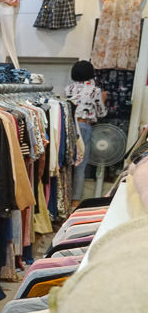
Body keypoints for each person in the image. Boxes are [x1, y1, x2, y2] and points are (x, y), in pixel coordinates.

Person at [65, 60, 108, 208]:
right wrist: (103, 99)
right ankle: (75, 201)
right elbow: (102, 112)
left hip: (68, 125)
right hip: (83, 126)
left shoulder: (68, 89)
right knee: (80, 165)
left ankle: (62, 200)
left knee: (66, 163)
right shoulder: (95, 91)